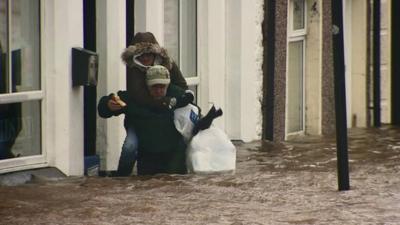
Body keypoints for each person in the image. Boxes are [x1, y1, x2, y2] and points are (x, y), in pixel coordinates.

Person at [98, 32, 190, 176]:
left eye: (149, 54)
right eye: (142, 55)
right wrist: (109, 105)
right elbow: (125, 99)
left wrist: (173, 101)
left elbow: (184, 91)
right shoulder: (134, 71)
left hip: (166, 121)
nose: (146, 58)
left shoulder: (169, 70)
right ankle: (120, 179)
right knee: (130, 146)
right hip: (140, 120)